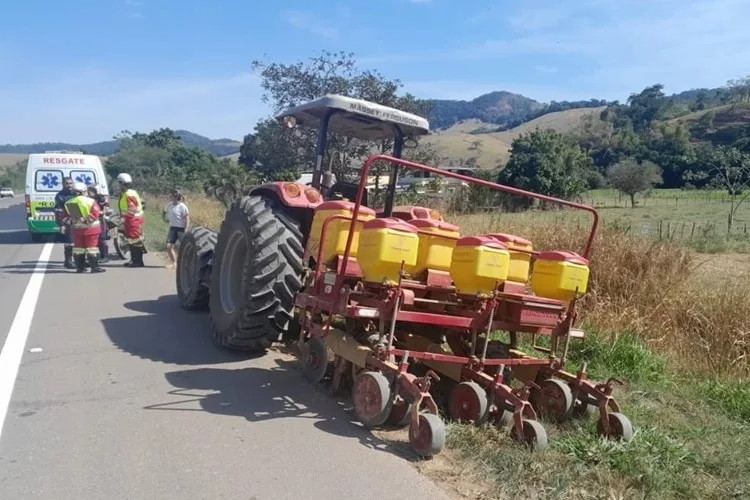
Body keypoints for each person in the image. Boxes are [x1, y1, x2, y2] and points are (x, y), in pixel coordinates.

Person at [64, 182, 105, 273]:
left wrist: (75, 221)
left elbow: (70, 217)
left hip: (77, 230)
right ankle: (94, 267)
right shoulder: (90, 201)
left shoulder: (70, 202)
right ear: (84, 191)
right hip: (91, 229)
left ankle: (80, 268)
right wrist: (86, 221)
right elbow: (95, 214)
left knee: (79, 249)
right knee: (92, 248)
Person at [116, 172, 146, 268]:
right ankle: (134, 260)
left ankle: (137, 261)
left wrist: (123, 219)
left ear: (121, 183)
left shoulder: (128, 194)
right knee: (131, 241)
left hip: (133, 220)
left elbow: (132, 209)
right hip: (132, 219)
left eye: (119, 183)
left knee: (135, 241)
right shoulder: (128, 193)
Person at [163, 189, 190, 269]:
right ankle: (174, 263)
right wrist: (164, 219)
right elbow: (164, 211)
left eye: (171, 196)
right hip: (172, 228)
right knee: (169, 247)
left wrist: (186, 229)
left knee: (184, 248)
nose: (170, 197)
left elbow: (187, 218)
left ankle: (186, 264)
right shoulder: (169, 205)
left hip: (181, 229)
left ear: (176, 197)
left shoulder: (182, 206)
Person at [54, 177, 77, 269]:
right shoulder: (60, 196)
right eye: (67, 183)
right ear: (63, 184)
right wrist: (61, 225)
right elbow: (58, 211)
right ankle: (68, 261)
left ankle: (79, 260)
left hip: (77, 219)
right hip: (67, 221)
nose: (69, 185)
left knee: (78, 242)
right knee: (69, 242)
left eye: (71, 183)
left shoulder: (76, 193)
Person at [87, 184, 110, 262]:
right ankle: (92, 257)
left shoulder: (100, 198)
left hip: (99, 220)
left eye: (92, 191)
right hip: (90, 221)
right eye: (89, 190)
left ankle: (105, 256)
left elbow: (105, 205)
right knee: (90, 239)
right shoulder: (87, 198)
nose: (90, 192)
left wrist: (105, 204)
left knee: (102, 238)